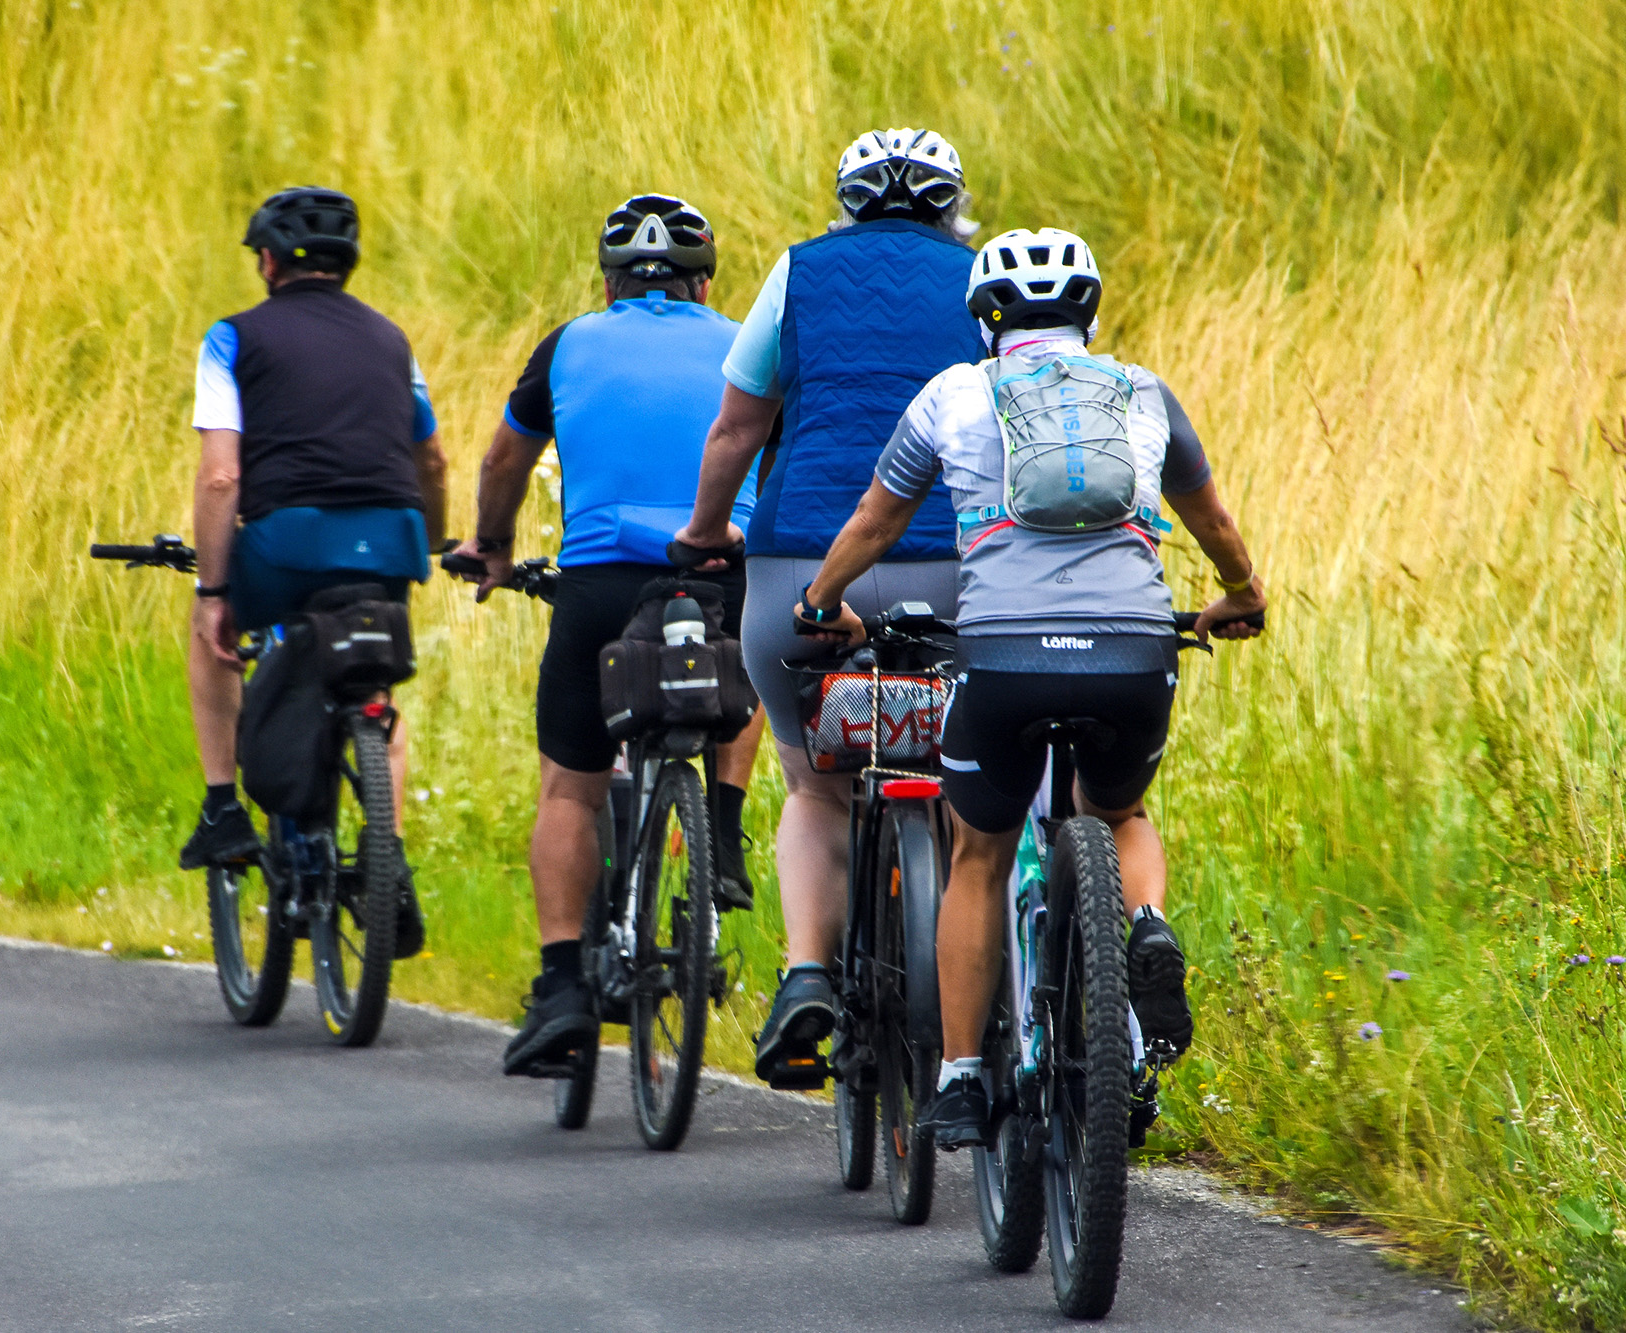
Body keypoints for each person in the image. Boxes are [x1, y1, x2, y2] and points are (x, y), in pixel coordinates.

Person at [793, 226, 1267, 1145]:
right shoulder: (1143, 391)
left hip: (1004, 657)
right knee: (1120, 812)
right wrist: (1242, 595)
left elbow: (876, 521)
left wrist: (820, 603)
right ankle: (1147, 926)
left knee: (981, 851)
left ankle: (962, 1077)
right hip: (1134, 653)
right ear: (1089, 316)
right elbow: (1211, 518)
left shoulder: (951, 395)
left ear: (987, 319)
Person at [671, 129, 989, 1087]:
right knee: (964, 785)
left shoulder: (798, 272)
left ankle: (808, 971)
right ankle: (977, 1013)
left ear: (845, 203)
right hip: (954, 566)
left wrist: (705, 532)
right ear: (953, 205)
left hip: (805, 571)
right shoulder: (985, 277)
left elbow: (738, 426)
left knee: (814, 783)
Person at [450, 195, 769, 1076]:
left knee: (571, 788)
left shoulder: (568, 344)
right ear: (706, 284)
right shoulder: (746, 344)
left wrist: (494, 547)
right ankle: (723, 828)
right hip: (718, 570)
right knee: (741, 666)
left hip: (599, 588)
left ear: (608, 283)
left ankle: (561, 986)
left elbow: (503, 460)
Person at [180, 186, 448, 961]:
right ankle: (387, 859)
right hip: (391, 542)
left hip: (286, 545)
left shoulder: (231, 339)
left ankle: (224, 807)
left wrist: (213, 590)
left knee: (210, 631)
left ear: (268, 262)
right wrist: (429, 544)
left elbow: (221, 477)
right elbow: (431, 458)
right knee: (376, 683)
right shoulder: (393, 341)